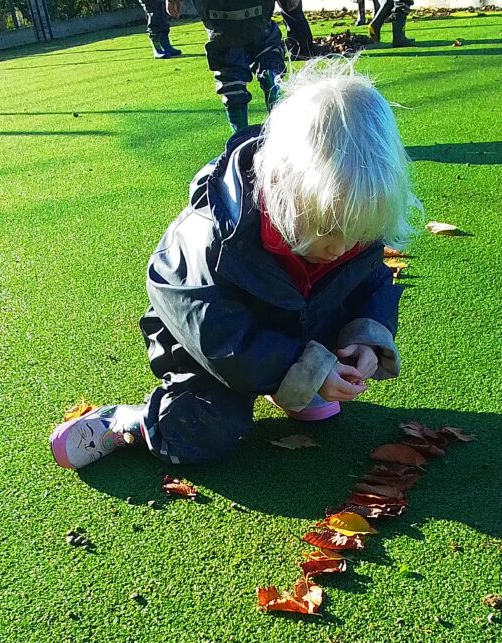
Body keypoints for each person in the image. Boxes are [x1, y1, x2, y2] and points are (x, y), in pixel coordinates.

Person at [50, 59, 419, 472]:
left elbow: (371, 281)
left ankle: (291, 381)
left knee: (318, 375)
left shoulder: (348, 227)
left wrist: (366, 341)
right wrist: (303, 368)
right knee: (206, 429)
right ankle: (128, 423)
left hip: (292, 330)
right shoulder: (211, 233)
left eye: (357, 233)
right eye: (328, 228)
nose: (341, 247)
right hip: (208, 348)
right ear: (282, 185)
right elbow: (216, 335)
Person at [166, 0, 285, 134]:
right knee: (268, 52)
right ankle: (272, 80)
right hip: (258, 12)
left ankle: (241, 137)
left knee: (230, 75)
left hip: (220, 17)